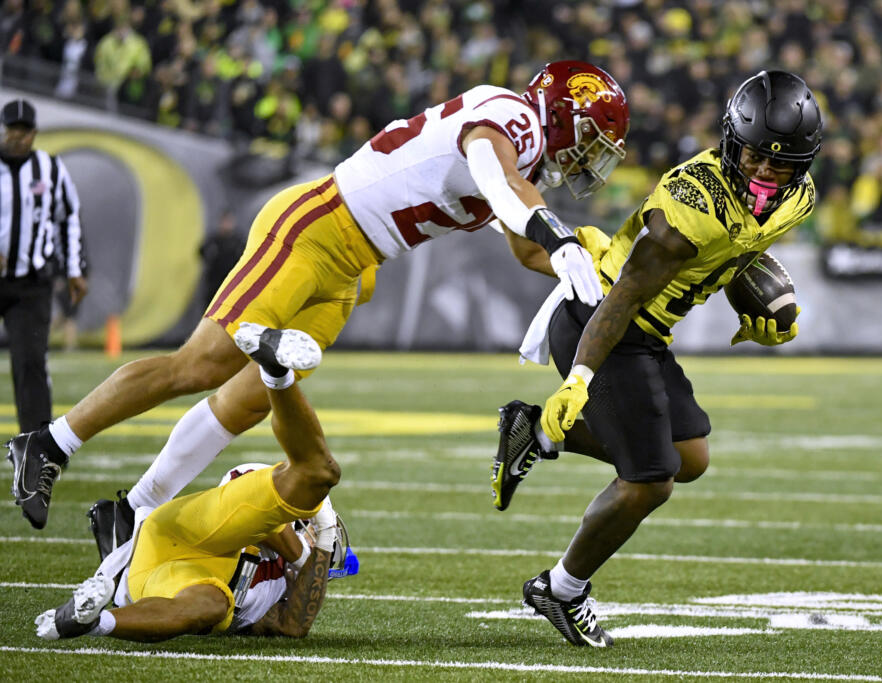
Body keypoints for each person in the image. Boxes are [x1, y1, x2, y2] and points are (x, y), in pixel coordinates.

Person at [6, 60, 630, 530]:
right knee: (202, 362)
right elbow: (495, 172)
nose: (588, 164)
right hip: (316, 228)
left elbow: (524, 242)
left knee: (255, 395)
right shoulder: (511, 120)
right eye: (592, 144)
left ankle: (134, 512)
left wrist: (609, 273)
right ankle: (50, 442)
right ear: (564, 115)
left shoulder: (519, 167)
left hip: (353, 265)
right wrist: (557, 235)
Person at [490, 71, 823, 647]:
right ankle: (562, 589)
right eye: (755, 158)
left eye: (783, 163)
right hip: (605, 322)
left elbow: (735, 254)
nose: (767, 173)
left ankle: (537, 436)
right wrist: (579, 380)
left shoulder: (800, 200)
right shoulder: (688, 207)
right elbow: (622, 298)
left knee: (689, 457)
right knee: (650, 480)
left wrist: (756, 309)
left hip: (650, 332)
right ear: (729, 142)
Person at [34, 323, 345, 641]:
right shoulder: (282, 533)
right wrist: (305, 553)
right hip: (180, 533)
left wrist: (323, 541)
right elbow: (250, 494)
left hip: (153, 581)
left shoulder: (276, 594)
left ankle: (91, 622)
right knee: (319, 474)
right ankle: (276, 372)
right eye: (318, 530)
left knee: (211, 607)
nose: (317, 531)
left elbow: (292, 627)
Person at [0, 98, 88, 433]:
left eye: (24, 131)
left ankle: (35, 445)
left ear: (34, 133)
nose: (17, 137)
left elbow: (69, 218)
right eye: (12, 130)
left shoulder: (50, 168)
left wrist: (74, 268)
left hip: (31, 283)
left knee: (31, 362)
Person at [198, 209, 246, 307]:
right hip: (214, 288)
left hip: (232, 288)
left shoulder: (238, 242)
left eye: (229, 221)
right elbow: (201, 252)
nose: (226, 224)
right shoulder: (214, 241)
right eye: (224, 221)